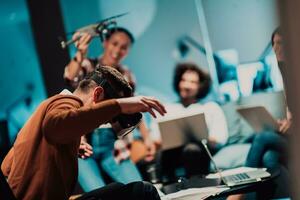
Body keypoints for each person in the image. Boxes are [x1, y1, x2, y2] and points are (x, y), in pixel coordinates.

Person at [1, 66, 166, 200]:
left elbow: (7, 166)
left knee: (117, 189)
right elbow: (55, 126)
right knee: (143, 192)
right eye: (107, 118)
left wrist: (69, 142)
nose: (103, 122)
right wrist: (119, 106)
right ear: (97, 93)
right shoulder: (63, 102)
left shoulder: (51, 109)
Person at [64, 27, 156, 190]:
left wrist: (146, 136)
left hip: (112, 143)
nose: (118, 50)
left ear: (127, 51)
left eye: (124, 47)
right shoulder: (87, 65)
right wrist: (81, 52)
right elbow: (70, 77)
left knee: (141, 189)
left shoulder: (126, 74)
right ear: (105, 43)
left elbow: (132, 107)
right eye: (115, 43)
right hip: (83, 141)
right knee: (98, 193)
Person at [150, 63, 228, 179]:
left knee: (191, 149)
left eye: (193, 82)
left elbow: (221, 138)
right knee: (164, 154)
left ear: (200, 86)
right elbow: (155, 139)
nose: (186, 85)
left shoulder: (210, 107)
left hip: (201, 151)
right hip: (171, 152)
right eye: (183, 80)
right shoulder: (166, 109)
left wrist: (202, 136)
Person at [245, 27, 291, 169]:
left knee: (261, 137)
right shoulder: (285, 74)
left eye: (281, 43)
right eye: (274, 44)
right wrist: (286, 123)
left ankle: (244, 186)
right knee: (269, 157)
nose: (276, 48)